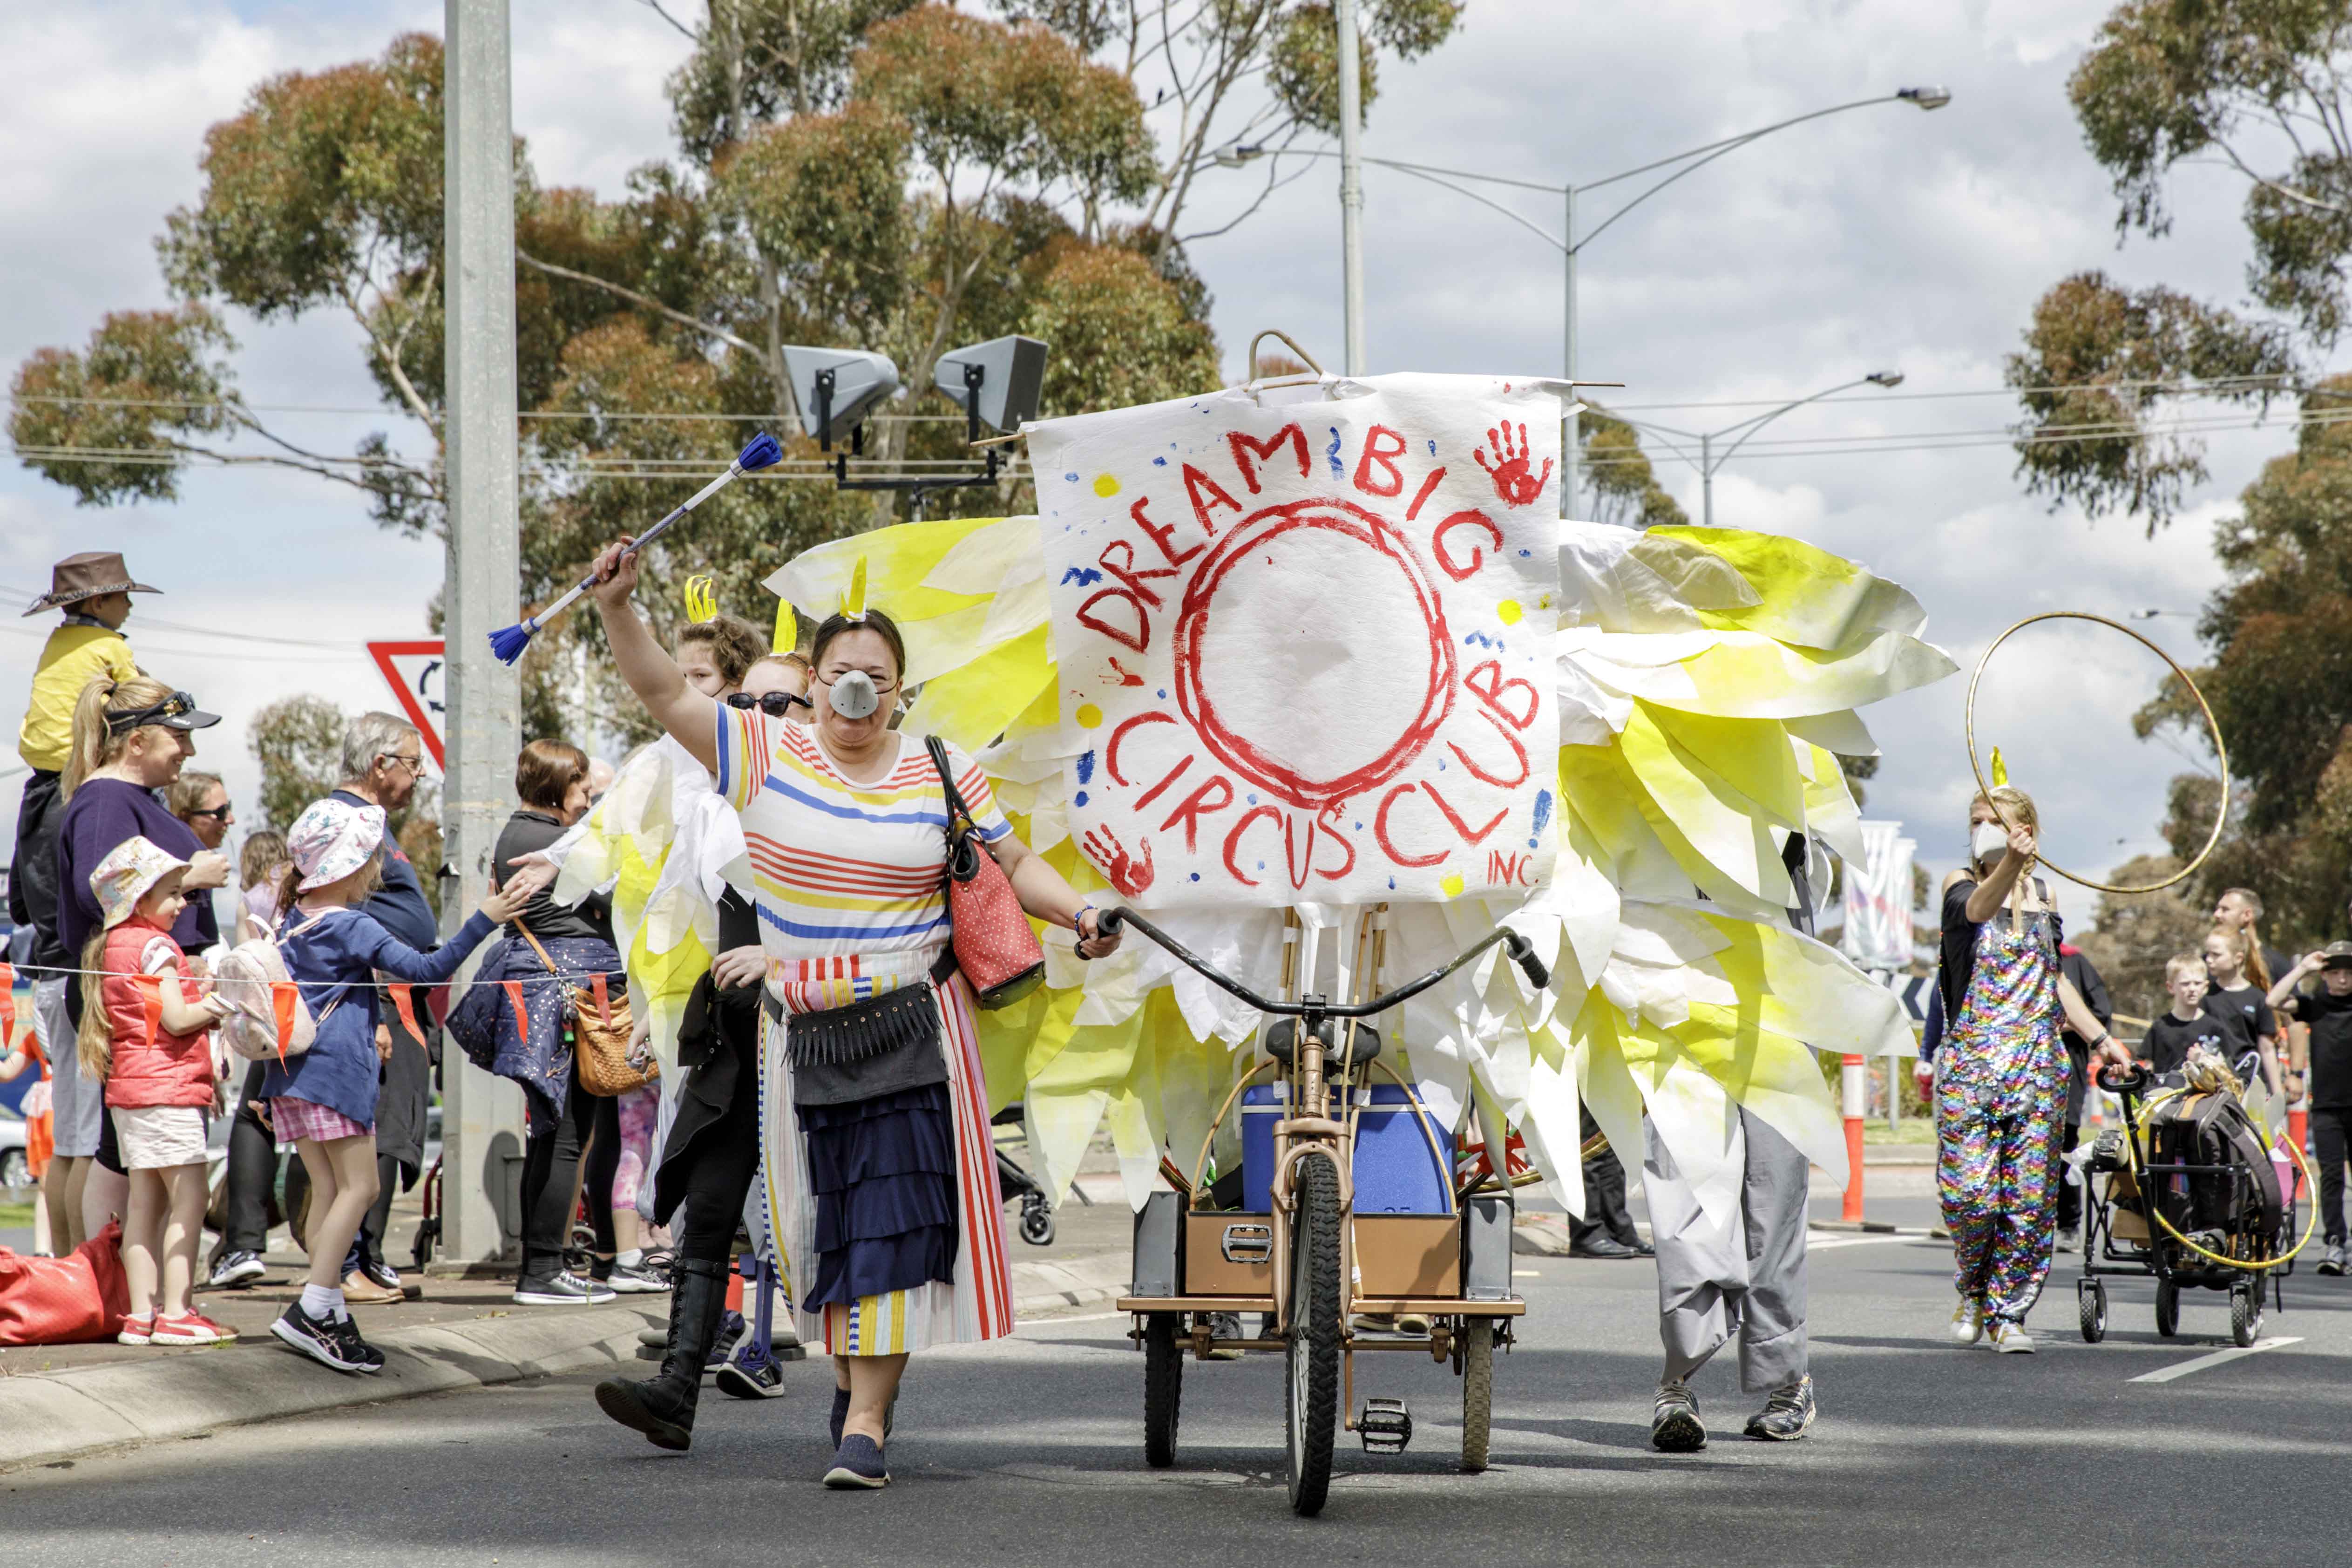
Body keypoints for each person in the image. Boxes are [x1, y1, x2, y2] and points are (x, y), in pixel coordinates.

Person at [585, 538, 1119, 1489]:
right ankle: (854, 1387)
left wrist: (1079, 911)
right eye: (840, 676)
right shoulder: (760, 752)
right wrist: (620, 609)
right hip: (799, 1038)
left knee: (893, 1230)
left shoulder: (942, 771)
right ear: (813, 683)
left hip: (915, 1032)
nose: (856, 693)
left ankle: (864, 1427)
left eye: (875, 678)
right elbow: (666, 693)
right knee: (818, 1236)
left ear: (901, 688)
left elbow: (1007, 863)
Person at [596, 651, 815, 1449]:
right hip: (736, 1037)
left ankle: (861, 1403)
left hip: (824, 1040)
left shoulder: (844, 802)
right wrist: (653, 1009)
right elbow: (673, 909)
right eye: (744, 700)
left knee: (835, 1220)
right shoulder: (714, 801)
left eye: (781, 700)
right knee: (712, 1209)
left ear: (818, 708)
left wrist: (786, 967)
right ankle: (678, 1390)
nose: (759, 715)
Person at [262, 796, 545, 1372]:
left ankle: (329, 1307)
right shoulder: (350, 923)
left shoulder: (294, 918)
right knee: (360, 1189)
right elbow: (425, 969)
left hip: (291, 1073)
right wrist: (485, 918)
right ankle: (314, 1308)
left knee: (328, 1186)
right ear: (351, 867)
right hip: (336, 1073)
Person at [1934, 787, 2126, 1355]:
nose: (1981, 829)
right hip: (1972, 1063)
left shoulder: (2044, 894)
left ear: (2025, 829)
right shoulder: (1957, 883)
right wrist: (2008, 862)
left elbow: (2054, 978)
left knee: (2027, 1201)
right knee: (1970, 1197)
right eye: (1975, 821)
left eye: (1993, 821)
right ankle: (1972, 1287)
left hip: (2038, 1067)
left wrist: (2100, 1038)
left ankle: (2009, 1313)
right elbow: (1975, 912)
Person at [1647, 830, 1818, 1452]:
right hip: (1681, 1030)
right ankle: (1676, 1382)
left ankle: (1785, 1378)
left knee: (1770, 1211)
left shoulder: (1784, 805)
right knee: (1682, 1204)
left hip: (1774, 1026)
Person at [52, 676, 228, 1251]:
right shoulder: (106, 800)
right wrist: (190, 876)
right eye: (178, 736)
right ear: (136, 742)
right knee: (120, 1145)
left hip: (151, 992)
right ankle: (112, 1284)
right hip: (137, 998)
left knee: (129, 1144)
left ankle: (127, 1289)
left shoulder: (122, 799)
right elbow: (93, 890)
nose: (189, 749)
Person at [10, 554, 156, 1180]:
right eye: (122, 596)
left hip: (45, 961)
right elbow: (149, 697)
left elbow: (27, 895)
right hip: (80, 972)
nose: (130, 606)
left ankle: (67, 1268)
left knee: (69, 1142)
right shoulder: (108, 650)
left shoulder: (54, 647)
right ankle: (90, 1269)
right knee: (87, 1143)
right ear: (99, 603)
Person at [301, 713, 442, 1305]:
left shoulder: (372, 824)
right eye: (413, 762)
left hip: (375, 996)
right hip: (368, 1000)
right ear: (381, 764)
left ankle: (333, 1284)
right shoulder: (352, 823)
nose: (420, 774)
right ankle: (333, 1283)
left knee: (345, 1175)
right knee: (354, 1176)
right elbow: (321, 917)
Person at [78, 837, 235, 1345]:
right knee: (189, 1199)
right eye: (173, 893)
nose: (183, 902)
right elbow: (177, 1018)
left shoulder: (114, 945)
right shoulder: (156, 947)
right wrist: (224, 1002)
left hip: (130, 1091)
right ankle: (176, 1311)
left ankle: (141, 1314)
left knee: (143, 1204)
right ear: (141, 899)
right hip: (167, 1088)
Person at [492, 738, 631, 1304]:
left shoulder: (517, 834)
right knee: (568, 1134)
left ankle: (543, 1265)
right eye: (579, 784)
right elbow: (617, 897)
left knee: (551, 1134)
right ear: (557, 786)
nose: (587, 793)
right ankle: (545, 1270)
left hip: (543, 994)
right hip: (568, 996)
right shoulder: (552, 841)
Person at [208, 828, 292, 1290]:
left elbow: (245, 968)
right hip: (315, 1017)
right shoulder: (308, 886)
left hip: (272, 1027)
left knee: (253, 1121)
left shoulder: (251, 902)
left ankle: (243, 1243)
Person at [2269, 943, 2352, 1275]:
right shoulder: (2315, 1005)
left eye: (2349, 972)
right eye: (2335, 972)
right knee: (2331, 1176)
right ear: (2324, 974)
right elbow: (2273, 1001)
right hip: (2328, 1106)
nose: (2343, 978)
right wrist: (2302, 968)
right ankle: (2334, 1243)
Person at [2054, 938, 2113, 1250]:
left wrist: (2062, 1024)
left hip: (2065, 1067)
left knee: (2063, 1142)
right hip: (2018, 1066)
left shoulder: (2074, 963)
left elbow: (2100, 1011)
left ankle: (2068, 1224)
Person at [2200, 928, 2287, 1098]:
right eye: (2208, 955)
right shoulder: (2204, 998)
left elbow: (2267, 1048)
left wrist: (2277, 1093)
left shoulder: (2258, 999)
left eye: (2216, 955)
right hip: (2213, 1087)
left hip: (2249, 1084)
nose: (2209, 960)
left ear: (2238, 958)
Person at [2144, 953, 2234, 1075]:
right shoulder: (2160, 1027)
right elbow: (2148, 1068)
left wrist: (2204, 1060)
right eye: (2185, 984)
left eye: (2197, 983)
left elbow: (2227, 1072)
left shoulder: (2215, 1028)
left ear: (2206, 987)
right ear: (2170, 987)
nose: (2192, 989)